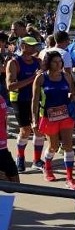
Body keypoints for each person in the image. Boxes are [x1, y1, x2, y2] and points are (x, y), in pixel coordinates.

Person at [31, 51, 75, 189]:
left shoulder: (66, 76)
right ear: (48, 63)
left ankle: (70, 178)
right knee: (53, 146)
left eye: (60, 62)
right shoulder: (40, 78)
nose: (59, 64)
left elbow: (73, 92)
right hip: (48, 117)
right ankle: (48, 167)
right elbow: (34, 101)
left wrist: (72, 97)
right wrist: (34, 120)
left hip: (65, 116)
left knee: (68, 146)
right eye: (55, 62)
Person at [6, 37, 44, 173]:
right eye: (31, 46)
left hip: (36, 99)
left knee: (39, 129)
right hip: (19, 100)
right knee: (25, 130)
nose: (34, 49)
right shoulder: (14, 63)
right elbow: (10, 86)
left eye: (35, 46)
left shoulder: (38, 62)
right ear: (22, 46)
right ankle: (20, 158)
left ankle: (37, 160)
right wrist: (32, 79)